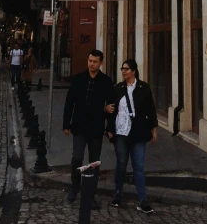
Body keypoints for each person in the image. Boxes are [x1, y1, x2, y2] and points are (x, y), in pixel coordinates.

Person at [63, 49, 115, 206]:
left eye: (95, 61)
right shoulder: (78, 79)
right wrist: (66, 124)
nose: (91, 64)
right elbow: (69, 102)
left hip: (96, 128)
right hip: (78, 126)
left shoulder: (105, 81)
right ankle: (75, 187)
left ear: (101, 63)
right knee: (77, 158)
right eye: (90, 60)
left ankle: (91, 194)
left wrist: (109, 127)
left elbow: (111, 106)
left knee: (94, 162)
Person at [107, 59, 157, 213]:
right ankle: (117, 195)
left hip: (139, 131)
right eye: (122, 69)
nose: (123, 71)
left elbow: (151, 109)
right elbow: (110, 111)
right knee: (121, 164)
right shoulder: (117, 88)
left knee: (139, 166)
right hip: (121, 132)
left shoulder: (144, 88)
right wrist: (109, 128)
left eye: (127, 69)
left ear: (134, 71)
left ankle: (142, 200)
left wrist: (154, 129)